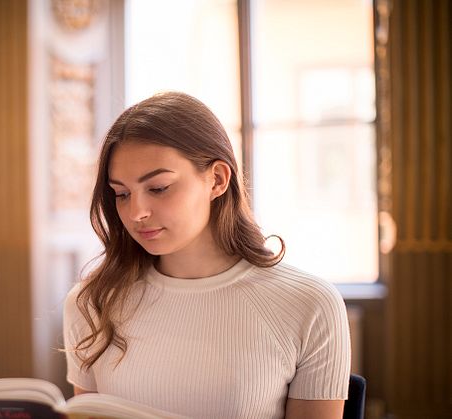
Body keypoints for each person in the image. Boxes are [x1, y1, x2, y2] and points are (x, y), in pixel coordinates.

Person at [63, 92, 351, 418]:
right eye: (122, 194)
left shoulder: (309, 304)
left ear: (217, 179)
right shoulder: (91, 303)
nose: (136, 212)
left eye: (158, 188)